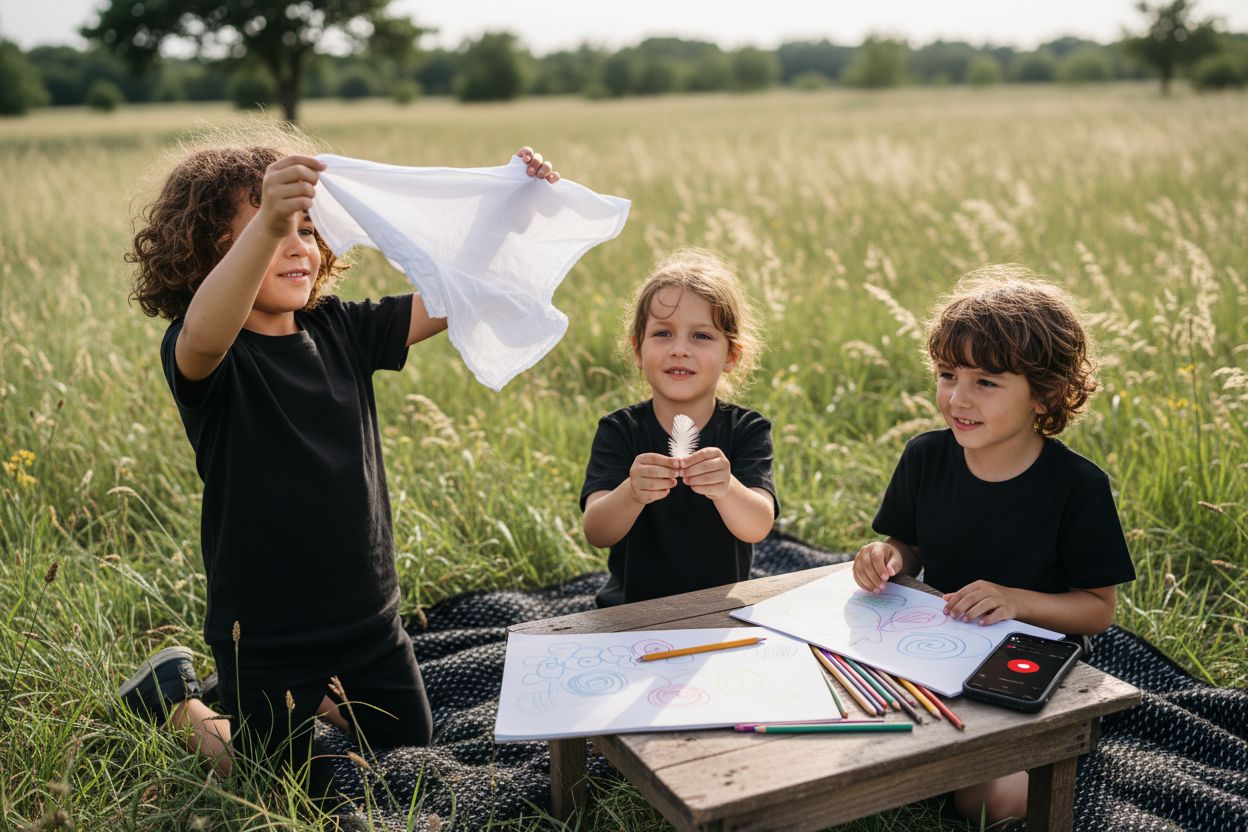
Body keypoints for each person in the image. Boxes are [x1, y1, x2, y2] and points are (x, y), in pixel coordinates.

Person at [117, 127, 560, 781]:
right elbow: (209, 330)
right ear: (206, 258)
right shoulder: (207, 352)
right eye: (268, 232)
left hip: (368, 620)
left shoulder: (342, 328)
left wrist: (511, 206)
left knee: (405, 747)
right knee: (277, 777)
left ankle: (295, 699)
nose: (296, 244)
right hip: (266, 632)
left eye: (305, 229)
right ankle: (176, 704)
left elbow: (455, 290)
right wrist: (270, 220)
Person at [852, 267, 1136, 824]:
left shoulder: (1078, 488)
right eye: (947, 374)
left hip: (1031, 661)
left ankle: (1047, 754)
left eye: (986, 382)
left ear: (1045, 394)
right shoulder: (925, 457)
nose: (958, 398)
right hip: (937, 645)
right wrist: (888, 558)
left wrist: (1014, 601)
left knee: (988, 800)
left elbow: (1097, 610)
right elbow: (907, 544)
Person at [581, 248, 778, 607]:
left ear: (731, 355)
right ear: (638, 350)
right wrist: (632, 493)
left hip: (718, 609)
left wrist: (727, 488)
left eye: (701, 336)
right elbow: (597, 531)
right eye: (663, 333)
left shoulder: (747, 429)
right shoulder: (619, 430)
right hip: (631, 611)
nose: (680, 349)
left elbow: (757, 526)